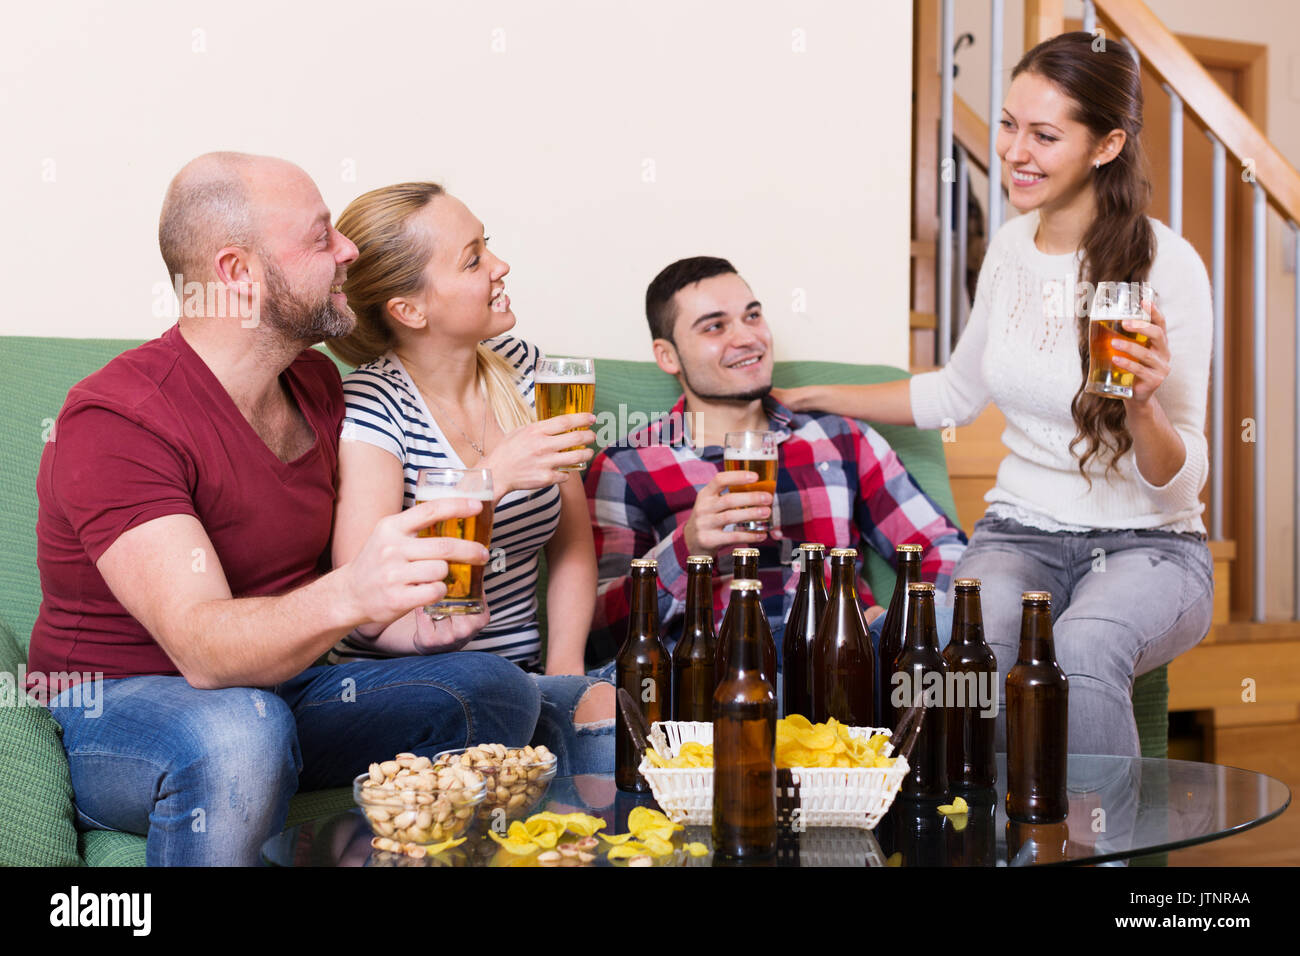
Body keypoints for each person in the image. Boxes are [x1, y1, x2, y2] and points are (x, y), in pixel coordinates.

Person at [27, 153, 541, 866]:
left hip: (279, 687)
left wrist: (405, 620)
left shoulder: (315, 382)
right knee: (239, 729)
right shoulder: (118, 419)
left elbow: (341, 585)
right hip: (120, 709)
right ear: (239, 274)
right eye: (322, 236)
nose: (349, 251)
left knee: (491, 692)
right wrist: (356, 592)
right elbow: (202, 651)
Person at [776, 32, 1214, 757]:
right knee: (970, 649)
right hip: (1020, 533)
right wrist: (822, 392)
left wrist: (1143, 403)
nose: (1014, 151)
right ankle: (994, 842)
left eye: (1045, 135)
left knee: (1080, 645)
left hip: (1149, 544)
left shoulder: (1168, 264)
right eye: (1009, 125)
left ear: (1106, 146)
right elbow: (954, 392)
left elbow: (1181, 479)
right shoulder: (1009, 248)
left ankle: (1097, 853)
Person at [325, 182, 614, 777]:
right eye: (474, 258)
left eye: (490, 246)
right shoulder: (373, 405)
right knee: (591, 724)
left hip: (531, 670)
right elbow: (360, 602)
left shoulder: (528, 370)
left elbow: (571, 543)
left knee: (662, 698)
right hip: (417, 677)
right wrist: (492, 478)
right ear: (410, 309)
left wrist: (566, 667)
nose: (501, 266)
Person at [585, 255, 968, 672]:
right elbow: (600, 630)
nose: (746, 337)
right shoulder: (627, 464)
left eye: (752, 316)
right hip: (715, 678)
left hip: (840, 669)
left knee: (959, 648)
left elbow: (943, 546)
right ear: (668, 356)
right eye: (715, 326)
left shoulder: (839, 438)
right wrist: (688, 546)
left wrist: (903, 625)